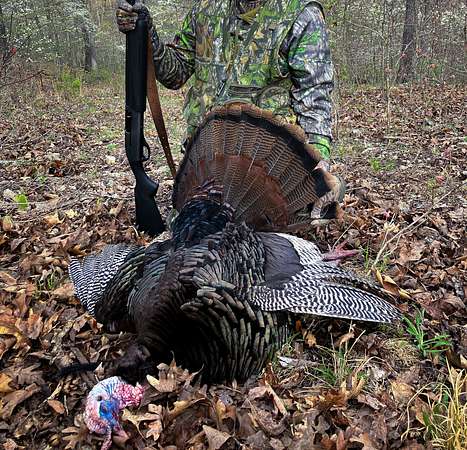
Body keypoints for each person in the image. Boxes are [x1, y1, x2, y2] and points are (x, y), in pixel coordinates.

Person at [116, 0, 344, 203]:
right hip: (205, 165)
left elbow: (314, 98)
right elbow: (174, 74)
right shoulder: (204, 10)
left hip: (269, 171)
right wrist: (146, 32)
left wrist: (318, 166)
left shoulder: (301, 14)